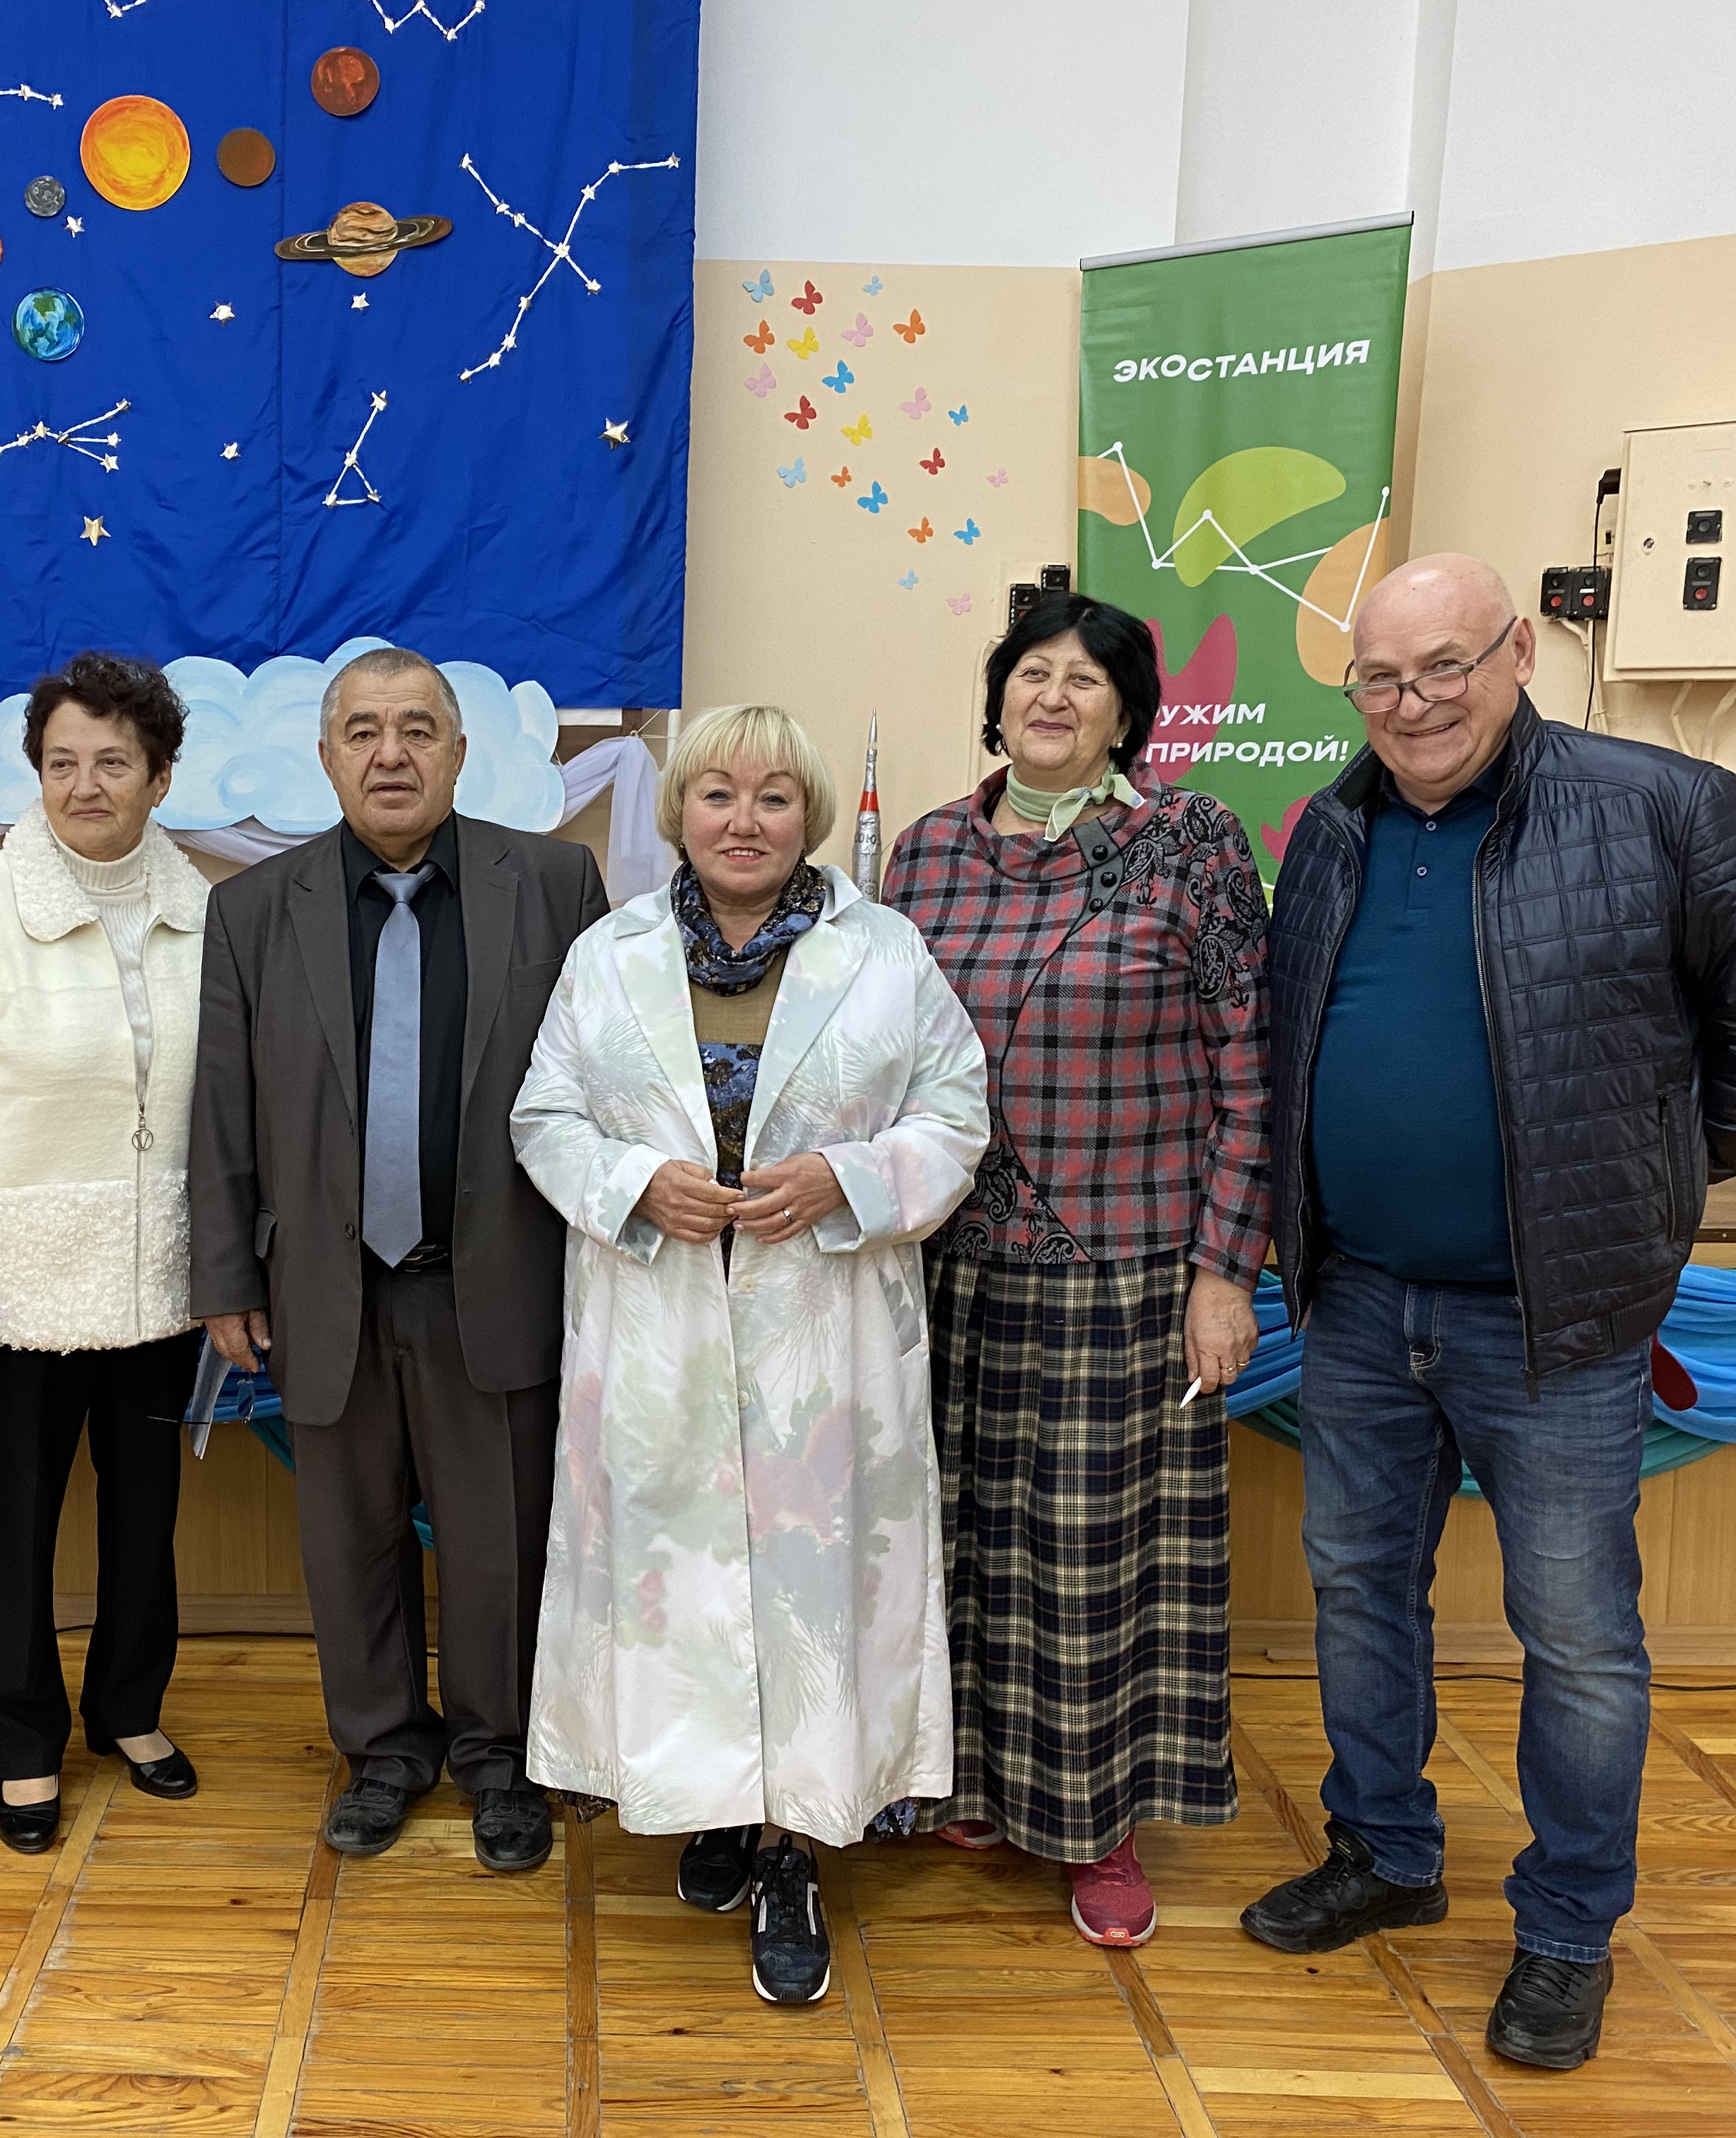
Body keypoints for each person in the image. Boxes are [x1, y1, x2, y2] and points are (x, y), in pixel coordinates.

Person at [1246, 554, 1736, 2070]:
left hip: (1557, 1318)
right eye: (1381, 679)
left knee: (1576, 1637)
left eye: (1445, 665)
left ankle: (1569, 1931)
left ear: (1520, 651)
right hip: (1359, 1304)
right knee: (1356, 1594)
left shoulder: (1669, 809)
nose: (1414, 704)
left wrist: (1659, 1169)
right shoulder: (1327, 829)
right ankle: (1385, 1852)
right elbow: (1291, 1034)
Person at [512, 703, 985, 2004]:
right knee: (683, 1585)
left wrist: (847, 1178)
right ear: (680, 812)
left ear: (809, 817)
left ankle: (793, 1849)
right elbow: (544, 1115)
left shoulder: (885, 952)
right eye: (717, 794)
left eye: (775, 797)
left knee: (807, 1594)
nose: (744, 820)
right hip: (657, 1327)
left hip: (822, 1335)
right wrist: (632, 1182)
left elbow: (957, 1112)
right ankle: (714, 1804)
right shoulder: (608, 953)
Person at [882, 590, 1271, 1950]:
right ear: (998, 698)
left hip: (1123, 1271)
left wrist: (1225, 1271)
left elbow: (1250, 1073)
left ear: (1127, 713)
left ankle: (1098, 1825)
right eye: (1032, 673)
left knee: (1090, 1567)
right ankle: (979, 1786)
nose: (1054, 696)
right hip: (943, 1269)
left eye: (1085, 680)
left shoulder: (1191, 842)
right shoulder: (928, 852)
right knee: (956, 1544)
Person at [190, 646, 609, 1874]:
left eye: (418, 729)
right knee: (349, 1541)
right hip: (323, 1289)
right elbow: (223, 1110)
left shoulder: (555, 886)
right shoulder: (253, 910)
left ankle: (502, 1758)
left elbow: (612, 1083)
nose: (391, 754)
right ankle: (381, 1751)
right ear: (326, 756)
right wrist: (225, 1278)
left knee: (499, 1544)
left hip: (498, 1281)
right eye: (364, 731)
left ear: (460, 753)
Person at [0, 651, 210, 1854]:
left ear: (160, 778)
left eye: (114, 762)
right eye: (61, 761)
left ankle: (129, 1709)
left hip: (161, 1282)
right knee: (12, 1531)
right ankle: (24, 1742)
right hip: (12, 1293)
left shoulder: (205, 911)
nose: (85, 784)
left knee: (145, 1520)